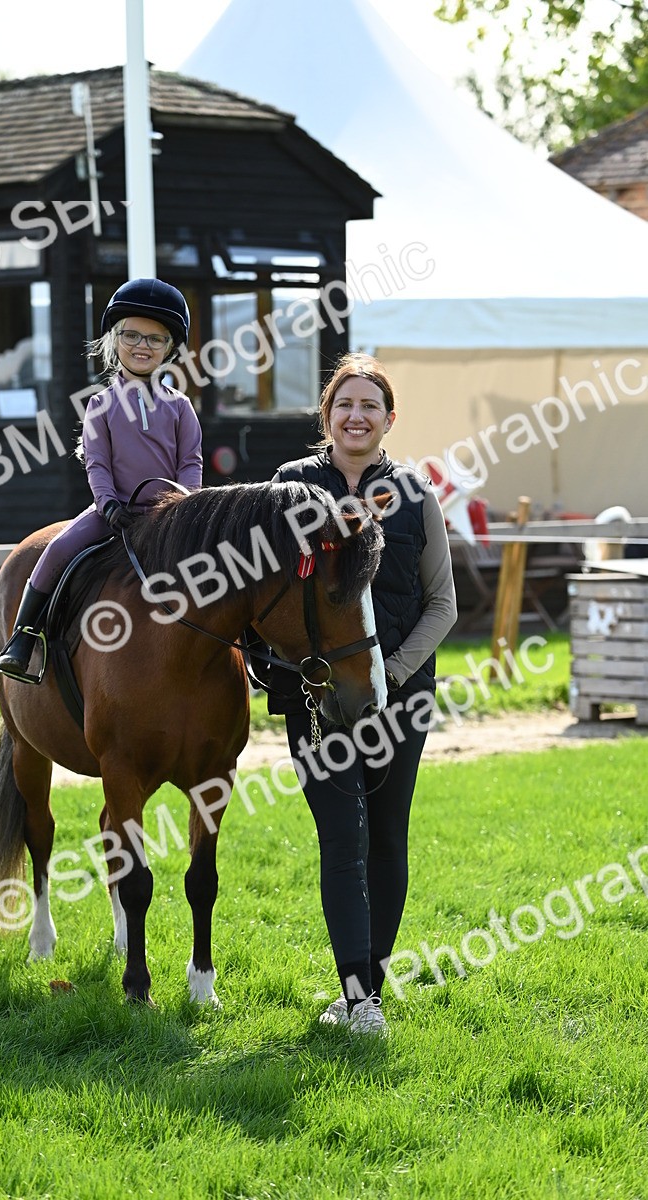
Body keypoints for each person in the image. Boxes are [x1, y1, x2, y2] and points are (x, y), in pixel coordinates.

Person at [268, 352, 457, 1035]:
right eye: (344, 404)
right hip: (315, 701)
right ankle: (359, 999)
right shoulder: (288, 489)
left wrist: (395, 674)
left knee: (385, 838)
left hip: (400, 700)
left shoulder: (415, 494)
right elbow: (266, 595)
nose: (356, 416)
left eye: (369, 406)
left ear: (389, 420)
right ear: (327, 414)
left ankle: (363, 994)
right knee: (339, 842)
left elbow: (443, 604)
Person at [0, 278, 202, 682]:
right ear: (114, 338)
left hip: (171, 515)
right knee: (57, 549)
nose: (143, 346)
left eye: (156, 339)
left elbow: (189, 461)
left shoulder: (180, 407)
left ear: (170, 349)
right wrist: (107, 504)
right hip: (114, 511)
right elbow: (98, 465)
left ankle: (247, 649)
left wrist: (185, 506)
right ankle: (23, 638)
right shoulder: (100, 405)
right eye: (132, 335)